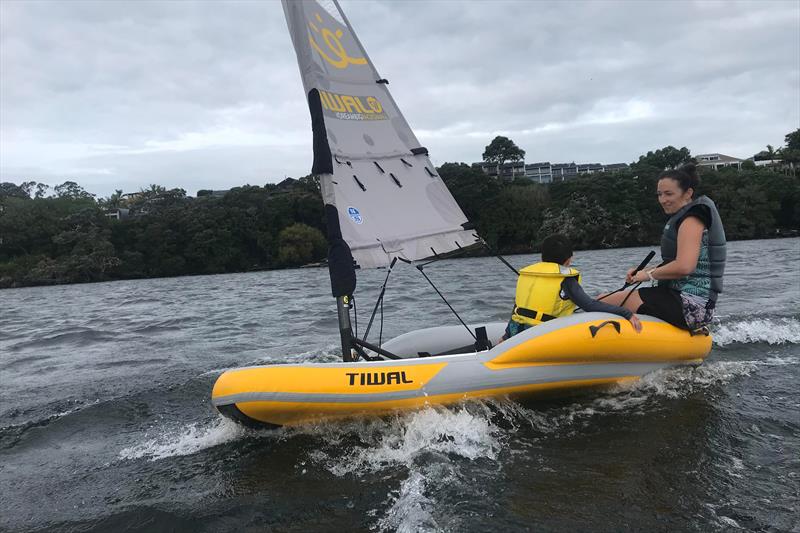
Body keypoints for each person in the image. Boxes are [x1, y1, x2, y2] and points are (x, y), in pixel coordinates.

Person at [599, 163, 726, 331]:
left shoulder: (692, 219)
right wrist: (643, 271)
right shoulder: (686, 216)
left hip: (691, 307)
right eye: (659, 194)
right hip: (686, 302)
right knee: (606, 299)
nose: (663, 200)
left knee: (602, 301)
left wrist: (648, 275)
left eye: (668, 194)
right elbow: (679, 264)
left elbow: (685, 266)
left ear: (688, 193)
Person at [500, 234, 642, 342]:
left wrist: (506, 336)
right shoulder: (566, 279)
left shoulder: (526, 275)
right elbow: (589, 305)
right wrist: (626, 313)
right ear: (568, 259)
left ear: (542, 256)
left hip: (516, 330)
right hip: (542, 335)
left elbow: (516, 309)